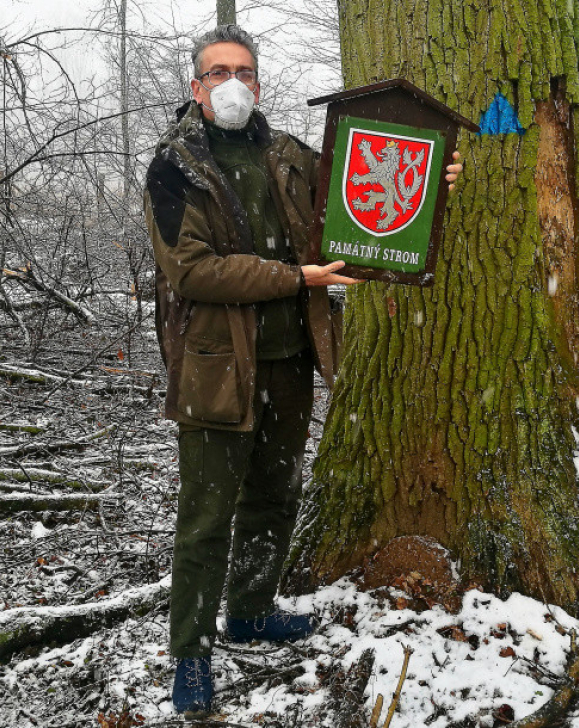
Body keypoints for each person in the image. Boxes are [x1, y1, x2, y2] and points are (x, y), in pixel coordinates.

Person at [143, 24, 462, 716]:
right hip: (216, 372)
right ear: (196, 87)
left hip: (290, 363)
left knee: (275, 496)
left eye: (245, 72)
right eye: (218, 72)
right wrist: (296, 276)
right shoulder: (174, 168)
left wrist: (430, 171)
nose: (233, 83)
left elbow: (362, 189)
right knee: (205, 518)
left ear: (258, 83)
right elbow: (192, 270)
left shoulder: (286, 154)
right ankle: (191, 654)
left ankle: (251, 609)